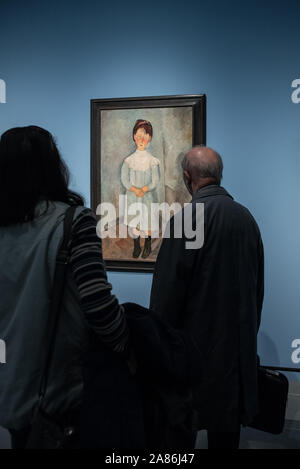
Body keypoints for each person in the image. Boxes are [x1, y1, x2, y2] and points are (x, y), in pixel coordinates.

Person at [0, 126, 134, 449]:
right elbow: (100, 308)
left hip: (12, 395)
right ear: (52, 167)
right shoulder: (73, 222)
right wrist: (130, 346)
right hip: (61, 400)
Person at [150, 146, 264, 449]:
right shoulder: (246, 219)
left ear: (187, 177)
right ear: (219, 175)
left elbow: (167, 295)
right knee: (226, 438)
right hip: (235, 356)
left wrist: (158, 350)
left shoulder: (190, 219)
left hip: (193, 357)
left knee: (180, 436)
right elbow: (257, 290)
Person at [121, 119, 160, 259]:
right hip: (132, 196)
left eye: (145, 136)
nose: (141, 139)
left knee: (147, 221)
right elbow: (124, 179)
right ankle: (136, 245)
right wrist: (133, 189)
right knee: (134, 222)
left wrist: (144, 188)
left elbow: (155, 181)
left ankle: (147, 245)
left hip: (147, 197)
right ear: (134, 137)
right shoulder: (129, 160)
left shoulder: (152, 160)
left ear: (149, 138)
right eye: (138, 136)